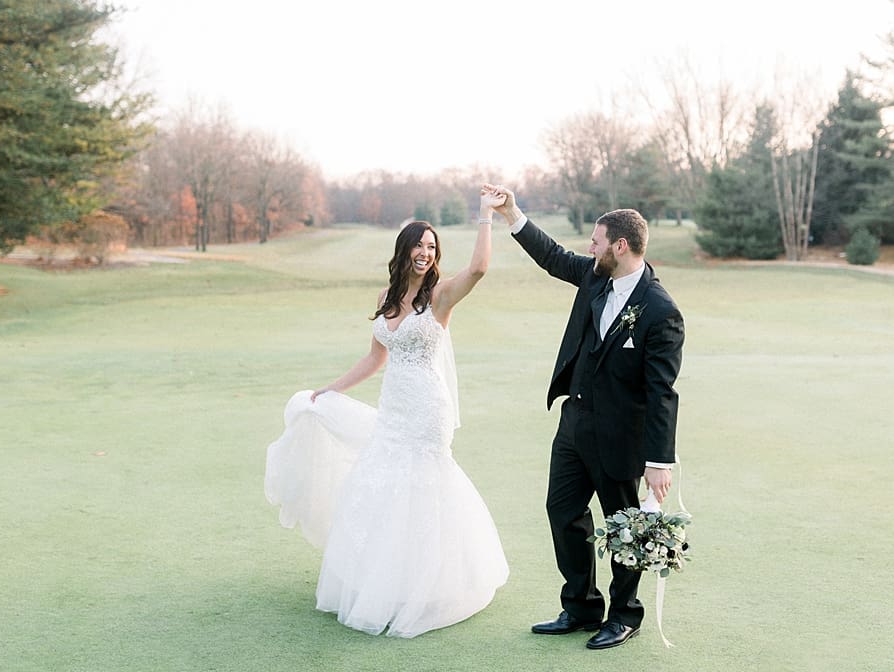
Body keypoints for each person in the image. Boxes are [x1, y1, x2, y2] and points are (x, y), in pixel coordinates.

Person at [264, 188, 509, 638]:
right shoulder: (387, 295)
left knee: (421, 487)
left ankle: (431, 588)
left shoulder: (440, 297)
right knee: (379, 486)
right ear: (405, 249)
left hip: (427, 410)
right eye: (419, 244)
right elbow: (375, 358)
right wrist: (331, 389)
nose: (425, 253)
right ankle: (386, 585)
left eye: (432, 247)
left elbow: (478, 268)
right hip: (393, 408)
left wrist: (485, 216)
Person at [484, 184, 684, 651]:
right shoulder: (596, 276)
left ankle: (624, 616)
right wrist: (512, 214)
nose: (589, 249)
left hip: (621, 438)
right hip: (573, 425)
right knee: (563, 512)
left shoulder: (661, 311)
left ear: (620, 246)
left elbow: (662, 392)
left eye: (596, 242)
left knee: (623, 526)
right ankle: (580, 606)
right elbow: (552, 256)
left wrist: (660, 460)